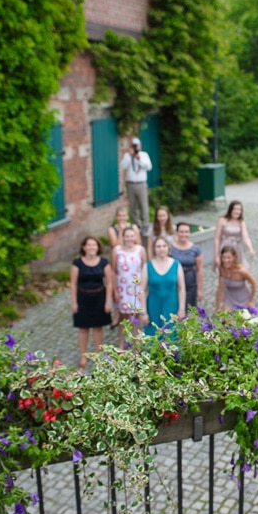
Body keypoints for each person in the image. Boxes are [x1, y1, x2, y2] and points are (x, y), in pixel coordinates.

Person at [70, 236, 113, 372]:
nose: (91, 247)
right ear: (84, 247)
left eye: (94, 245)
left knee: (98, 328)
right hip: (83, 297)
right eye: (89, 245)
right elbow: (73, 284)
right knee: (83, 328)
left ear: (98, 247)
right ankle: (83, 356)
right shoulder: (77, 263)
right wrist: (74, 302)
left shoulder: (104, 262)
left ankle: (98, 355)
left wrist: (108, 301)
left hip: (99, 297)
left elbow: (110, 283)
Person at [112, 226, 148, 347]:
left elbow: (144, 268)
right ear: (123, 237)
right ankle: (122, 342)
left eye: (131, 236)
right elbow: (113, 270)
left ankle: (136, 340)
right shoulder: (117, 250)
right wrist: (115, 290)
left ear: (135, 237)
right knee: (123, 317)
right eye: (127, 236)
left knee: (136, 315)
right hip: (122, 288)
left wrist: (144, 287)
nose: (129, 238)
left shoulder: (141, 250)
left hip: (136, 288)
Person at [143, 237, 186, 336]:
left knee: (172, 336)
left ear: (168, 248)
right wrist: (143, 312)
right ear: (154, 249)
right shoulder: (147, 266)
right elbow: (143, 290)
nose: (161, 249)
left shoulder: (176, 264)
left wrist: (181, 309)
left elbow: (181, 288)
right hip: (153, 307)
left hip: (172, 306)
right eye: (158, 246)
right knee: (153, 336)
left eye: (164, 246)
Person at [120, 136, 152, 231]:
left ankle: (145, 225)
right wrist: (130, 156)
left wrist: (139, 159)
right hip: (130, 184)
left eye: (137, 145)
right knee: (133, 205)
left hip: (141, 184)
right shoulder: (127, 156)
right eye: (134, 145)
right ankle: (136, 225)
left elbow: (149, 167)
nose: (136, 147)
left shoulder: (144, 155)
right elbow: (123, 166)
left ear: (140, 146)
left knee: (143, 205)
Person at [214, 200, 255, 270]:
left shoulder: (241, 222)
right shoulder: (222, 220)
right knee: (224, 269)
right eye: (235, 209)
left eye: (239, 209)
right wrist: (216, 255)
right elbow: (217, 239)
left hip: (236, 248)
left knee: (237, 268)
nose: (237, 211)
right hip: (224, 246)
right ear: (231, 210)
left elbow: (246, 237)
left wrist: (250, 248)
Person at [172, 222, 204, 308]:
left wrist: (200, 289)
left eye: (186, 232)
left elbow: (199, 270)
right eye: (181, 232)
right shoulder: (170, 248)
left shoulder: (196, 249)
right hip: (174, 282)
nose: (184, 234)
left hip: (190, 281)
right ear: (177, 232)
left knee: (189, 308)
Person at [216, 246, 257, 312]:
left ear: (234, 257)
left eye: (228, 257)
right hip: (229, 298)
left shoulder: (242, 271)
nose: (226, 260)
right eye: (224, 257)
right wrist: (217, 308)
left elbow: (254, 284)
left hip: (243, 299)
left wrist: (251, 300)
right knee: (225, 319)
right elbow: (220, 287)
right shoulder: (222, 268)